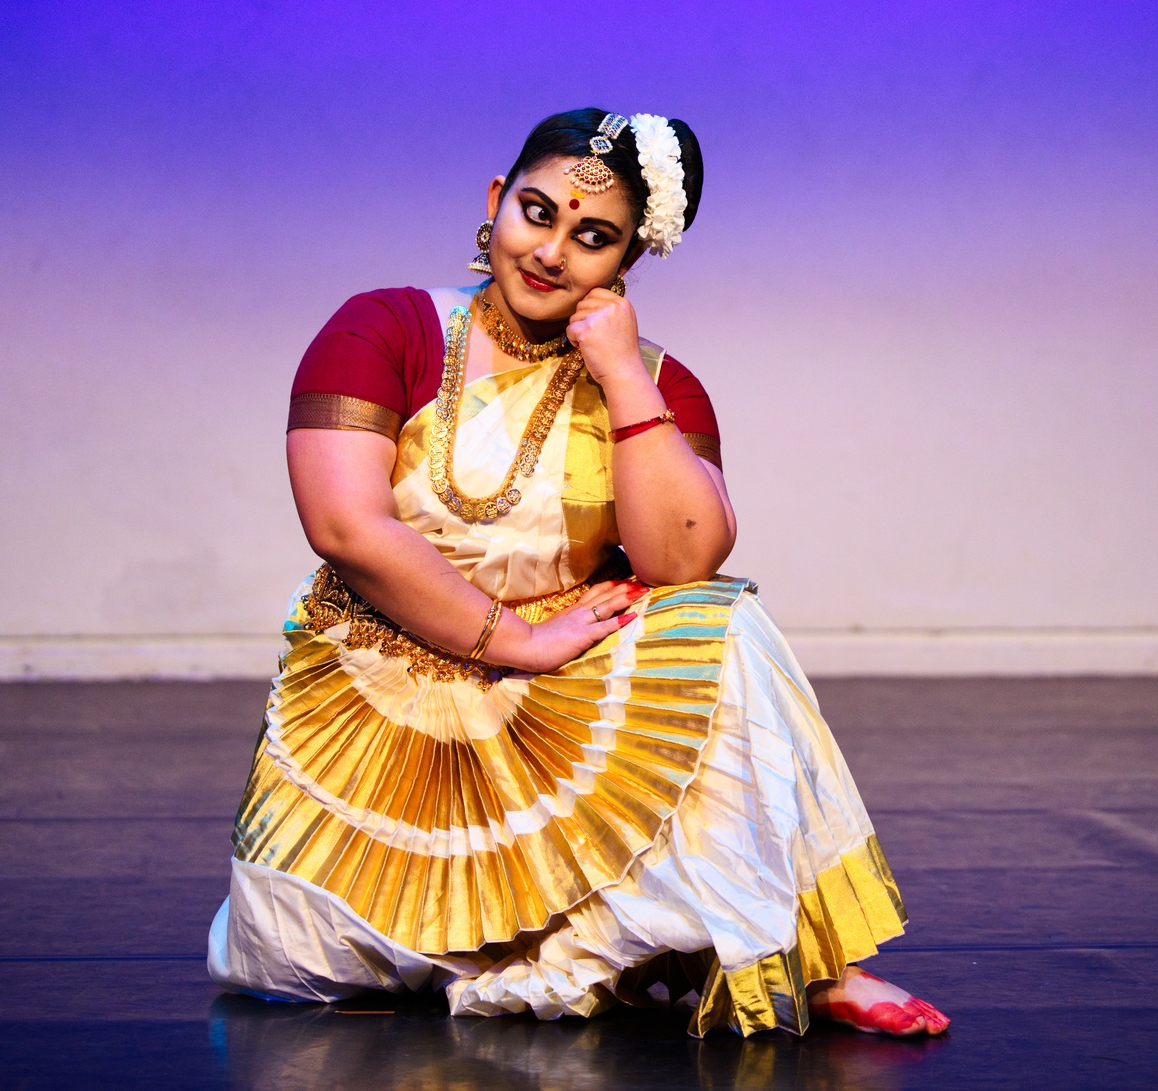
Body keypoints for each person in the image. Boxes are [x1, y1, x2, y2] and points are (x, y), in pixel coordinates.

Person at [207, 109, 949, 1039]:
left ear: (629, 259)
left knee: (727, 621)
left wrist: (624, 378)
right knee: (313, 963)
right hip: (381, 680)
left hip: (556, 691)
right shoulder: (384, 327)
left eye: (593, 237)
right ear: (495, 199)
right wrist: (512, 638)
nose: (551, 251)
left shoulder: (659, 380)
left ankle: (809, 957)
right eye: (537, 211)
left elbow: (684, 560)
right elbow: (343, 525)